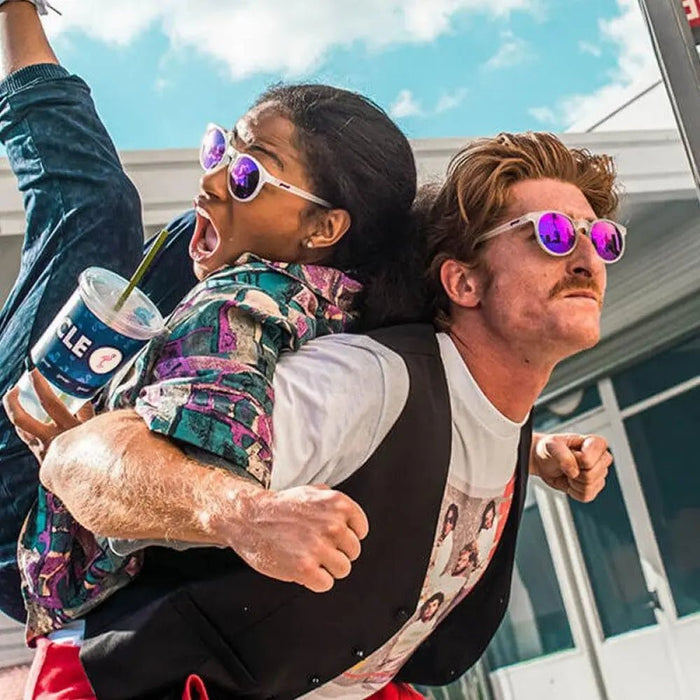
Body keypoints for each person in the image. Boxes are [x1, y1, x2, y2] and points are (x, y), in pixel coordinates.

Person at [1, 2, 615, 698]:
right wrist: (227, 507)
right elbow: (107, 463)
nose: (213, 178)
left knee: (102, 208)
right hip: (36, 506)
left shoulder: (333, 319)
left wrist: (525, 448)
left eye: (246, 174)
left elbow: (431, 405)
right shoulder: (249, 313)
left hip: (62, 538)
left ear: (325, 229)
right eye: (219, 152)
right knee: (104, 210)